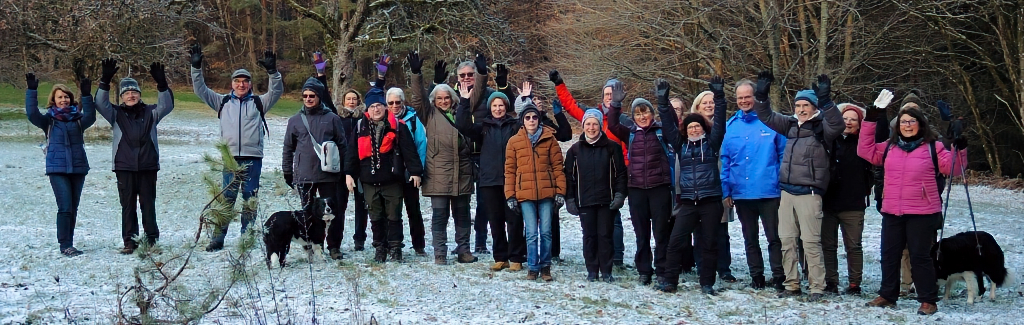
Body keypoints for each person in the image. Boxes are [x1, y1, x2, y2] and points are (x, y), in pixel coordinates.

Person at [861, 90, 967, 315]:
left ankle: (928, 299)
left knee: (920, 257)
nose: (907, 125)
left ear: (920, 124)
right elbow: (865, 150)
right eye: (903, 122)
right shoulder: (890, 147)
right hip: (892, 210)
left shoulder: (933, 147)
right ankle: (888, 295)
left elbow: (955, 169)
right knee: (889, 255)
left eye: (912, 121)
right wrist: (871, 118)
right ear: (897, 125)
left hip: (922, 211)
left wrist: (960, 146)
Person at [752, 72, 844, 302]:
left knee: (811, 243)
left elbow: (838, 123)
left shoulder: (824, 127)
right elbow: (766, 116)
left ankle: (817, 286)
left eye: (806, 105)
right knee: (787, 241)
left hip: (810, 193)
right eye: (798, 105)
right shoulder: (790, 125)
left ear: (814, 108)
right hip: (786, 192)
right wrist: (761, 96)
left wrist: (827, 101)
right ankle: (791, 284)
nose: (801, 109)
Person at [189, 44, 284, 251]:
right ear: (232, 84)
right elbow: (200, 90)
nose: (241, 85)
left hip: (252, 158)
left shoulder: (260, 103)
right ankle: (217, 238)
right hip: (230, 158)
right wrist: (196, 68)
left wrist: (272, 72)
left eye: (245, 81)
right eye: (237, 81)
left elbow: (277, 91)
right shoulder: (222, 102)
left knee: (250, 198)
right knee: (227, 199)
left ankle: (247, 237)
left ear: (250, 84)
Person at [549, 69, 628, 267]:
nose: (610, 97)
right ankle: (594, 263)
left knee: (615, 220)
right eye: (607, 94)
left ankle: (616, 257)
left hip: (614, 176)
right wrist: (560, 84)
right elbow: (570, 104)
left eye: (613, 94)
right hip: (591, 181)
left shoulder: (624, 121)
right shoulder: (593, 116)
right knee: (592, 228)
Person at [95, 59, 175, 254]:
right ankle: (130, 242)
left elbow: (168, 105)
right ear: (122, 97)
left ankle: (151, 241)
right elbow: (99, 102)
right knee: (128, 206)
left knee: (148, 205)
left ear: (139, 94)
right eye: (127, 93)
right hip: (124, 166)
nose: (131, 95)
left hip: (147, 165)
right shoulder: (115, 113)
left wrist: (162, 83)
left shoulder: (151, 112)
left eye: (134, 92)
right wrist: (105, 81)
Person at [658, 77, 727, 295]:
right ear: (686, 130)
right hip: (688, 201)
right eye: (690, 127)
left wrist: (720, 97)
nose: (694, 129)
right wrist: (662, 101)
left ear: (703, 128)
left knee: (709, 244)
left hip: (710, 201)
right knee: (676, 241)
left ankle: (707, 283)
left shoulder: (712, 143)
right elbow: (669, 126)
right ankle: (670, 281)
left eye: (697, 126)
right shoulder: (681, 147)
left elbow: (721, 121)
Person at [409, 53, 477, 265]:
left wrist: (481, 74)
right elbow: (418, 98)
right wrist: (416, 74)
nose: (444, 101)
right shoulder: (428, 115)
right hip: (437, 174)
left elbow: (479, 92)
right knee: (440, 217)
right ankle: (440, 253)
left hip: (462, 172)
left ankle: (464, 250)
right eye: (439, 98)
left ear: (453, 99)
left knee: (463, 216)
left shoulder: (462, 112)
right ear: (434, 101)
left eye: (447, 97)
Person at [344, 83, 424, 263]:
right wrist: (349, 174)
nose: (376, 109)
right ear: (367, 108)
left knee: (394, 216)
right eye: (372, 106)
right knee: (375, 217)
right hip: (369, 180)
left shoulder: (397, 126)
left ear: (384, 107)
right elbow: (352, 153)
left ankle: (395, 247)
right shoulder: (360, 127)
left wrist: (415, 171)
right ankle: (380, 246)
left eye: (379, 105)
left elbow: (409, 151)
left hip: (392, 180)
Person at [720, 78, 787, 291]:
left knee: (774, 237)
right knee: (750, 238)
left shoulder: (772, 122)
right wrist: (726, 190)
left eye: (747, 96)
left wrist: (781, 184)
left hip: (769, 191)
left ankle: (779, 276)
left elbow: (783, 155)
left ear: (755, 97)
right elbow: (726, 160)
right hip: (741, 193)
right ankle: (756, 276)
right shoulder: (731, 126)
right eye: (740, 98)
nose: (744, 101)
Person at [456, 79, 528, 272]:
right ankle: (500, 257)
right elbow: (462, 125)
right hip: (489, 181)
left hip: (511, 181)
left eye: (501, 105)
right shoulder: (483, 128)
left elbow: (529, 119)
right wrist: (464, 102)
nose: (498, 109)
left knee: (514, 221)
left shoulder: (514, 126)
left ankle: (516, 257)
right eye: (495, 105)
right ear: (490, 108)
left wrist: (525, 99)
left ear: (506, 107)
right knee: (495, 221)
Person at [25, 71, 96, 257]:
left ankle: (69, 242)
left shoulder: (78, 119)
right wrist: (32, 91)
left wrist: (87, 95)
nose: (63, 100)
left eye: (66, 96)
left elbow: (91, 117)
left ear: (71, 99)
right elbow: (32, 114)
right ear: (53, 100)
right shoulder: (48, 120)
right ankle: (64, 244)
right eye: (60, 97)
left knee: (73, 207)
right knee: (64, 206)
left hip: (78, 167)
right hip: (57, 169)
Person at [606, 96, 672, 285]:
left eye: (645, 112)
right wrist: (615, 105)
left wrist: (664, 103)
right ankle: (644, 269)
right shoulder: (630, 133)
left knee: (661, 233)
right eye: (637, 113)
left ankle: (662, 269)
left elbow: (673, 125)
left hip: (659, 188)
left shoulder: (661, 131)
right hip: (636, 190)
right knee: (641, 234)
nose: (642, 116)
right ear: (633, 117)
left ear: (652, 113)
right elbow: (612, 125)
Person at [455, 55, 516, 254]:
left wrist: (504, 86)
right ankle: (462, 243)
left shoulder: (489, 95)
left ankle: (481, 241)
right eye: (462, 75)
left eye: (470, 74)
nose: (466, 78)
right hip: (461, 155)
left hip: (485, 156)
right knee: (461, 203)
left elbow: (509, 108)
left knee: (484, 203)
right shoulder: (453, 96)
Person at [282, 77, 346, 257]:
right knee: (308, 214)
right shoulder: (295, 120)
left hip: (328, 175)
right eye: (305, 95)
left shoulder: (332, 118)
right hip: (305, 174)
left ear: (319, 96)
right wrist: (287, 171)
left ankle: (334, 246)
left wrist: (343, 170)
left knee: (333, 213)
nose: (308, 98)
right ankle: (311, 245)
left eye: (312, 95)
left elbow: (343, 145)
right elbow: (288, 147)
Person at [507, 101, 566, 282]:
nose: (531, 120)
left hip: (547, 193)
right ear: (522, 120)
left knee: (546, 232)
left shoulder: (550, 139)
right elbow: (510, 170)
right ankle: (533, 267)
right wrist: (510, 195)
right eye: (527, 117)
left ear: (539, 120)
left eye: (534, 117)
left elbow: (558, 167)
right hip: (525, 194)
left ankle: (545, 266)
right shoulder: (514, 141)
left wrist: (560, 192)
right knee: (531, 233)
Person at [821, 103, 874, 295]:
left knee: (853, 246)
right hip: (829, 202)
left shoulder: (865, 145)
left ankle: (854, 284)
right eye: (845, 118)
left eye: (853, 119)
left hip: (853, 203)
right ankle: (831, 282)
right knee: (828, 245)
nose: (849, 122)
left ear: (860, 123)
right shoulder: (831, 141)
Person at [689, 90, 737, 283]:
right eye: (705, 103)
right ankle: (702, 266)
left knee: (721, 230)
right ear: (698, 106)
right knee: (699, 231)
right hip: (697, 186)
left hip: (720, 182)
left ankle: (723, 267)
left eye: (712, 102)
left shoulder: (726, 128)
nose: (709, 105)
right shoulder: (691, 128)